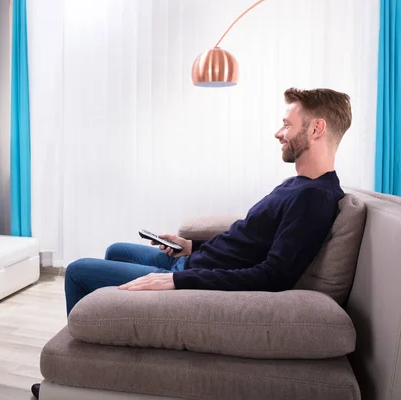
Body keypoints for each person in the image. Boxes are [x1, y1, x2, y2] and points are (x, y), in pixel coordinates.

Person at [30, 87, 351, 399]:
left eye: (287, 124)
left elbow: (272, 276)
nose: (278, 133)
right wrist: (190, 246)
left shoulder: (313, 199)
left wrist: (176, 280)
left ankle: (73, 371)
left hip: (194, 276)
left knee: (76, 271)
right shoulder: (298, 185)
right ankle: (108, 332)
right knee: (117, 250)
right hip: (196, 262)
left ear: (317, 129)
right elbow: (249, 240)